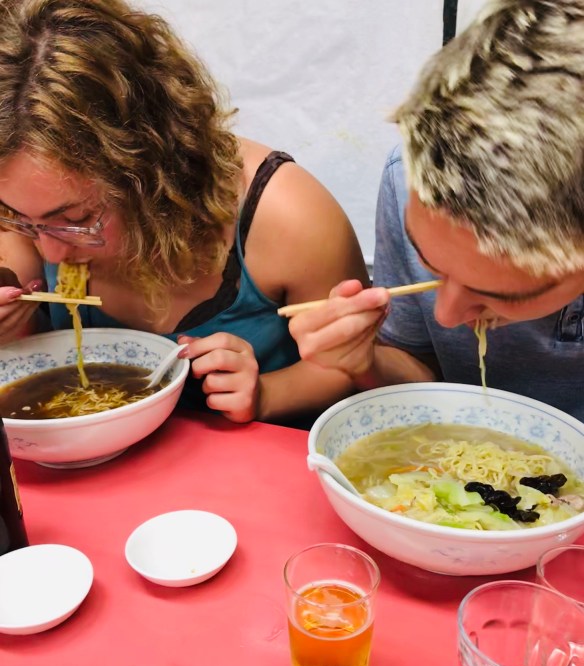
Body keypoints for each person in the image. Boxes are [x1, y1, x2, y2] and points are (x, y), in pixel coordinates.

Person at [0, 0, 369, 426]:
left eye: (77, 220)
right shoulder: (27, 199)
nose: (50, 252)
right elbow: (34, 345)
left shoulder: (286, 215)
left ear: (149, 169)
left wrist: (265, 394)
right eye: (18, 217)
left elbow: (353, 364)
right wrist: (15, 331)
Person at [289, 0, 584, 421]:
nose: (446, 316)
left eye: (499, 296)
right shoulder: (407, 181)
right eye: (431, 265)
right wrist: (363, 361)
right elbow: (419, 366)